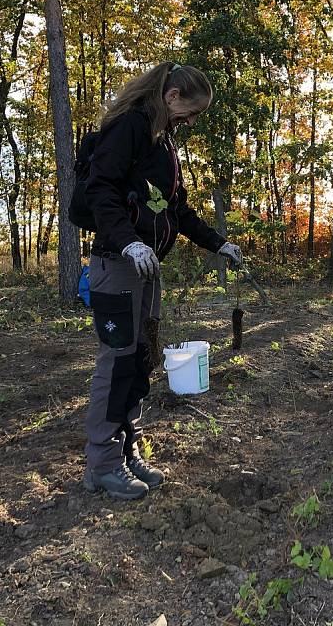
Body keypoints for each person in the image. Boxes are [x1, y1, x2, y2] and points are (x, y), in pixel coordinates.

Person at [82, 61, 243, 501]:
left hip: (148, 271)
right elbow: (101, 191)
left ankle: (128, 449)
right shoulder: (129, 128)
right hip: (118, 264)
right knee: (116, 364)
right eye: (190, 112)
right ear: (172, 97)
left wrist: (218, 244)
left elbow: (178, 210)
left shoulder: (163, 143)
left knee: (141, 359)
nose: (191, 122)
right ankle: (102, 462)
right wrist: (130, 243)